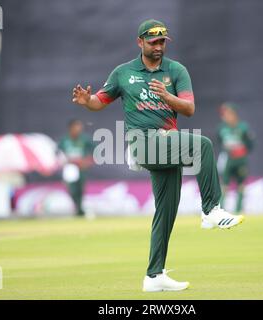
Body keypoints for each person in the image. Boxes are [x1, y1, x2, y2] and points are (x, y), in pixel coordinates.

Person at [71, 19, 244, 292]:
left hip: (167, 144)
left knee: (166, 210)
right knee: (202, 146)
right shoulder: (123, 73)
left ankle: (154, 276)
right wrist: (86, 102)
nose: (159, 47)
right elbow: (99, 101)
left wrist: (167, 97)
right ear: (140, 42)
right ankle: (211, 209)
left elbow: (188, 109)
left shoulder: (176, 71)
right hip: (142, 141)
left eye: (162, 42)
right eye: (153, 42)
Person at [216, 103, 255, 213]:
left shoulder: (243, 127)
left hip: (241, 160)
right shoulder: (222, 128)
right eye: (223, 114)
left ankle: (238, 209)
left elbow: (250, 144)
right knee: (224, 184)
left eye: (227, 113)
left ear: (234, 114)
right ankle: (221, 209)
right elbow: (220, 141)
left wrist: (242, 151)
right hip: (228, 160)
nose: (225, 116)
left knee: (241, 185)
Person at [58, 119, 94, 217]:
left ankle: (80, 209)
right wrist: (64, 161)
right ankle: (78, 208)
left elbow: (94, 151)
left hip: (81, 168)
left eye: (80, 126)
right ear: (71, 128)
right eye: (76, 126)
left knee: (80, 189)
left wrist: (87, 161)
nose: (79, 129)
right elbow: (58, 153)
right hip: (69, 168)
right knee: (72, 189)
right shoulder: (64, 140)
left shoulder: (85, 139)